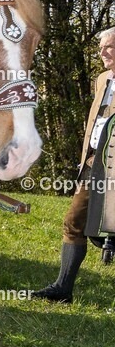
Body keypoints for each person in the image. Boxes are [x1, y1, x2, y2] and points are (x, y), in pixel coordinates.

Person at [33, 29, 115, 303]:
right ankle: (62, 288)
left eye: (109, 47)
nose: (102, 53)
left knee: (97, 228)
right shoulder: (101, 80)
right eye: (101, 48)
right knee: (74, 223)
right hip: (93, 164)